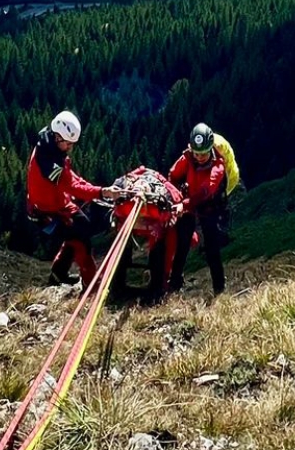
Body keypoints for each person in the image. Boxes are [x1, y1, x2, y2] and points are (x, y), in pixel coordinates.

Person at [26, 110, 122, 287]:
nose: (70, 148)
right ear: (58, 138)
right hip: (47, 212)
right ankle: (91, 284)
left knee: (79, 229)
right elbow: (72, 186)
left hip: (57, 204)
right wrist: (103, 192)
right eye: (68, 144)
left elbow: (71, 179)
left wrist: (97, 191)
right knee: (80, 239)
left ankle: (58, 274)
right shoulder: (49, 162)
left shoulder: (49, 146)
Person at [168, 123, 231, 296]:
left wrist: (183, 204)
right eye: (197, 153)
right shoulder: (187, 158)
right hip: (188, 204)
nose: (200, 157)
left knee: (211, 248)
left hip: (208, 207)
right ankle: (174, 285)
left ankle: (219, 289)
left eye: (204, 153)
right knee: (183, 244)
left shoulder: (218, 167)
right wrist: (176, 195)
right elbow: (172, 175)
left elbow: (205, 192)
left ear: (210, 148)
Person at [109, 166, 188, 305]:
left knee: (157, 252)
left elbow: (171, 209)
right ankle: (124, 286)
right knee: (124, 251)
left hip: (150, 222)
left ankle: (156, 287)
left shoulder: (162, 198)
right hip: (142, 220)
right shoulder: (124, 195)